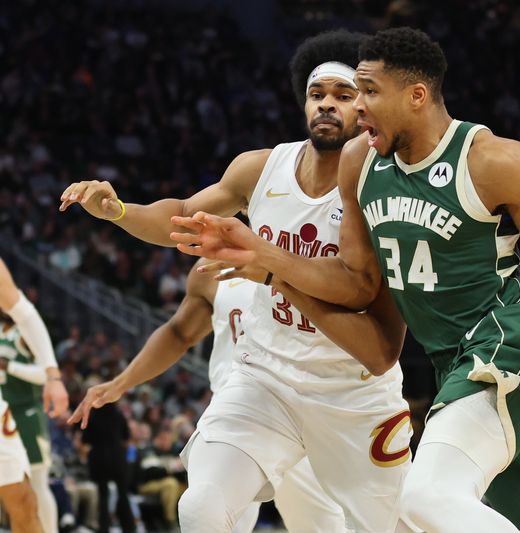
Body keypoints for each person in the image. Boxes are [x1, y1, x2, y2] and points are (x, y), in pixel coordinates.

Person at [170, 27, 520, 532]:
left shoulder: (493, 161)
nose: (357, 106)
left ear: (416, 96)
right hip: (453, 360)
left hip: (508, 344)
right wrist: (274, 265)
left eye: (369, 91)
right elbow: (357, 284)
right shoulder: (360, 162)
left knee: (426, 498)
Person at [60, 30, 410, 533]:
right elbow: (181, 214)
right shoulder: (260, 168)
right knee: (201, 507)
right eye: (317, 95)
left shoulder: (384, 185)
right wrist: (117, 211)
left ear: (365, 107)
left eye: (343, 94)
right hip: (266, 379)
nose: (327, 105)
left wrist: (273, 267)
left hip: (353, 393)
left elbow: (372, 325)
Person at [68, 257, 347, 533]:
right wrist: (120, 383)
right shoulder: (214, 263)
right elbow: (179, 333)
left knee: (326, 525)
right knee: (207, 512)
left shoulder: (313, 249)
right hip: (238, 416)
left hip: (302, 413)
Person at [0, 258, 69, 532]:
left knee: (27, 497)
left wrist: (53, 376)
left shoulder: (16, 333)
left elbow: (25, 313)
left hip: (23, 410)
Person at [0, 314, 60, 533]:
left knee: (37, 483)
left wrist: (9, 366)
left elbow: (46, 375)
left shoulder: (25, 332)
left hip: (27, 414)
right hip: (3, 415)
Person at [80, 401, 135, 533]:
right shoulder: (118, 414)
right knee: (123, 494)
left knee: (103, 496)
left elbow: (85, 439)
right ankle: (129, 528)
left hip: (99, 458)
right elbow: (126, 435)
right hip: (117, 457)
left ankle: (104, 528)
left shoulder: (92, 416)